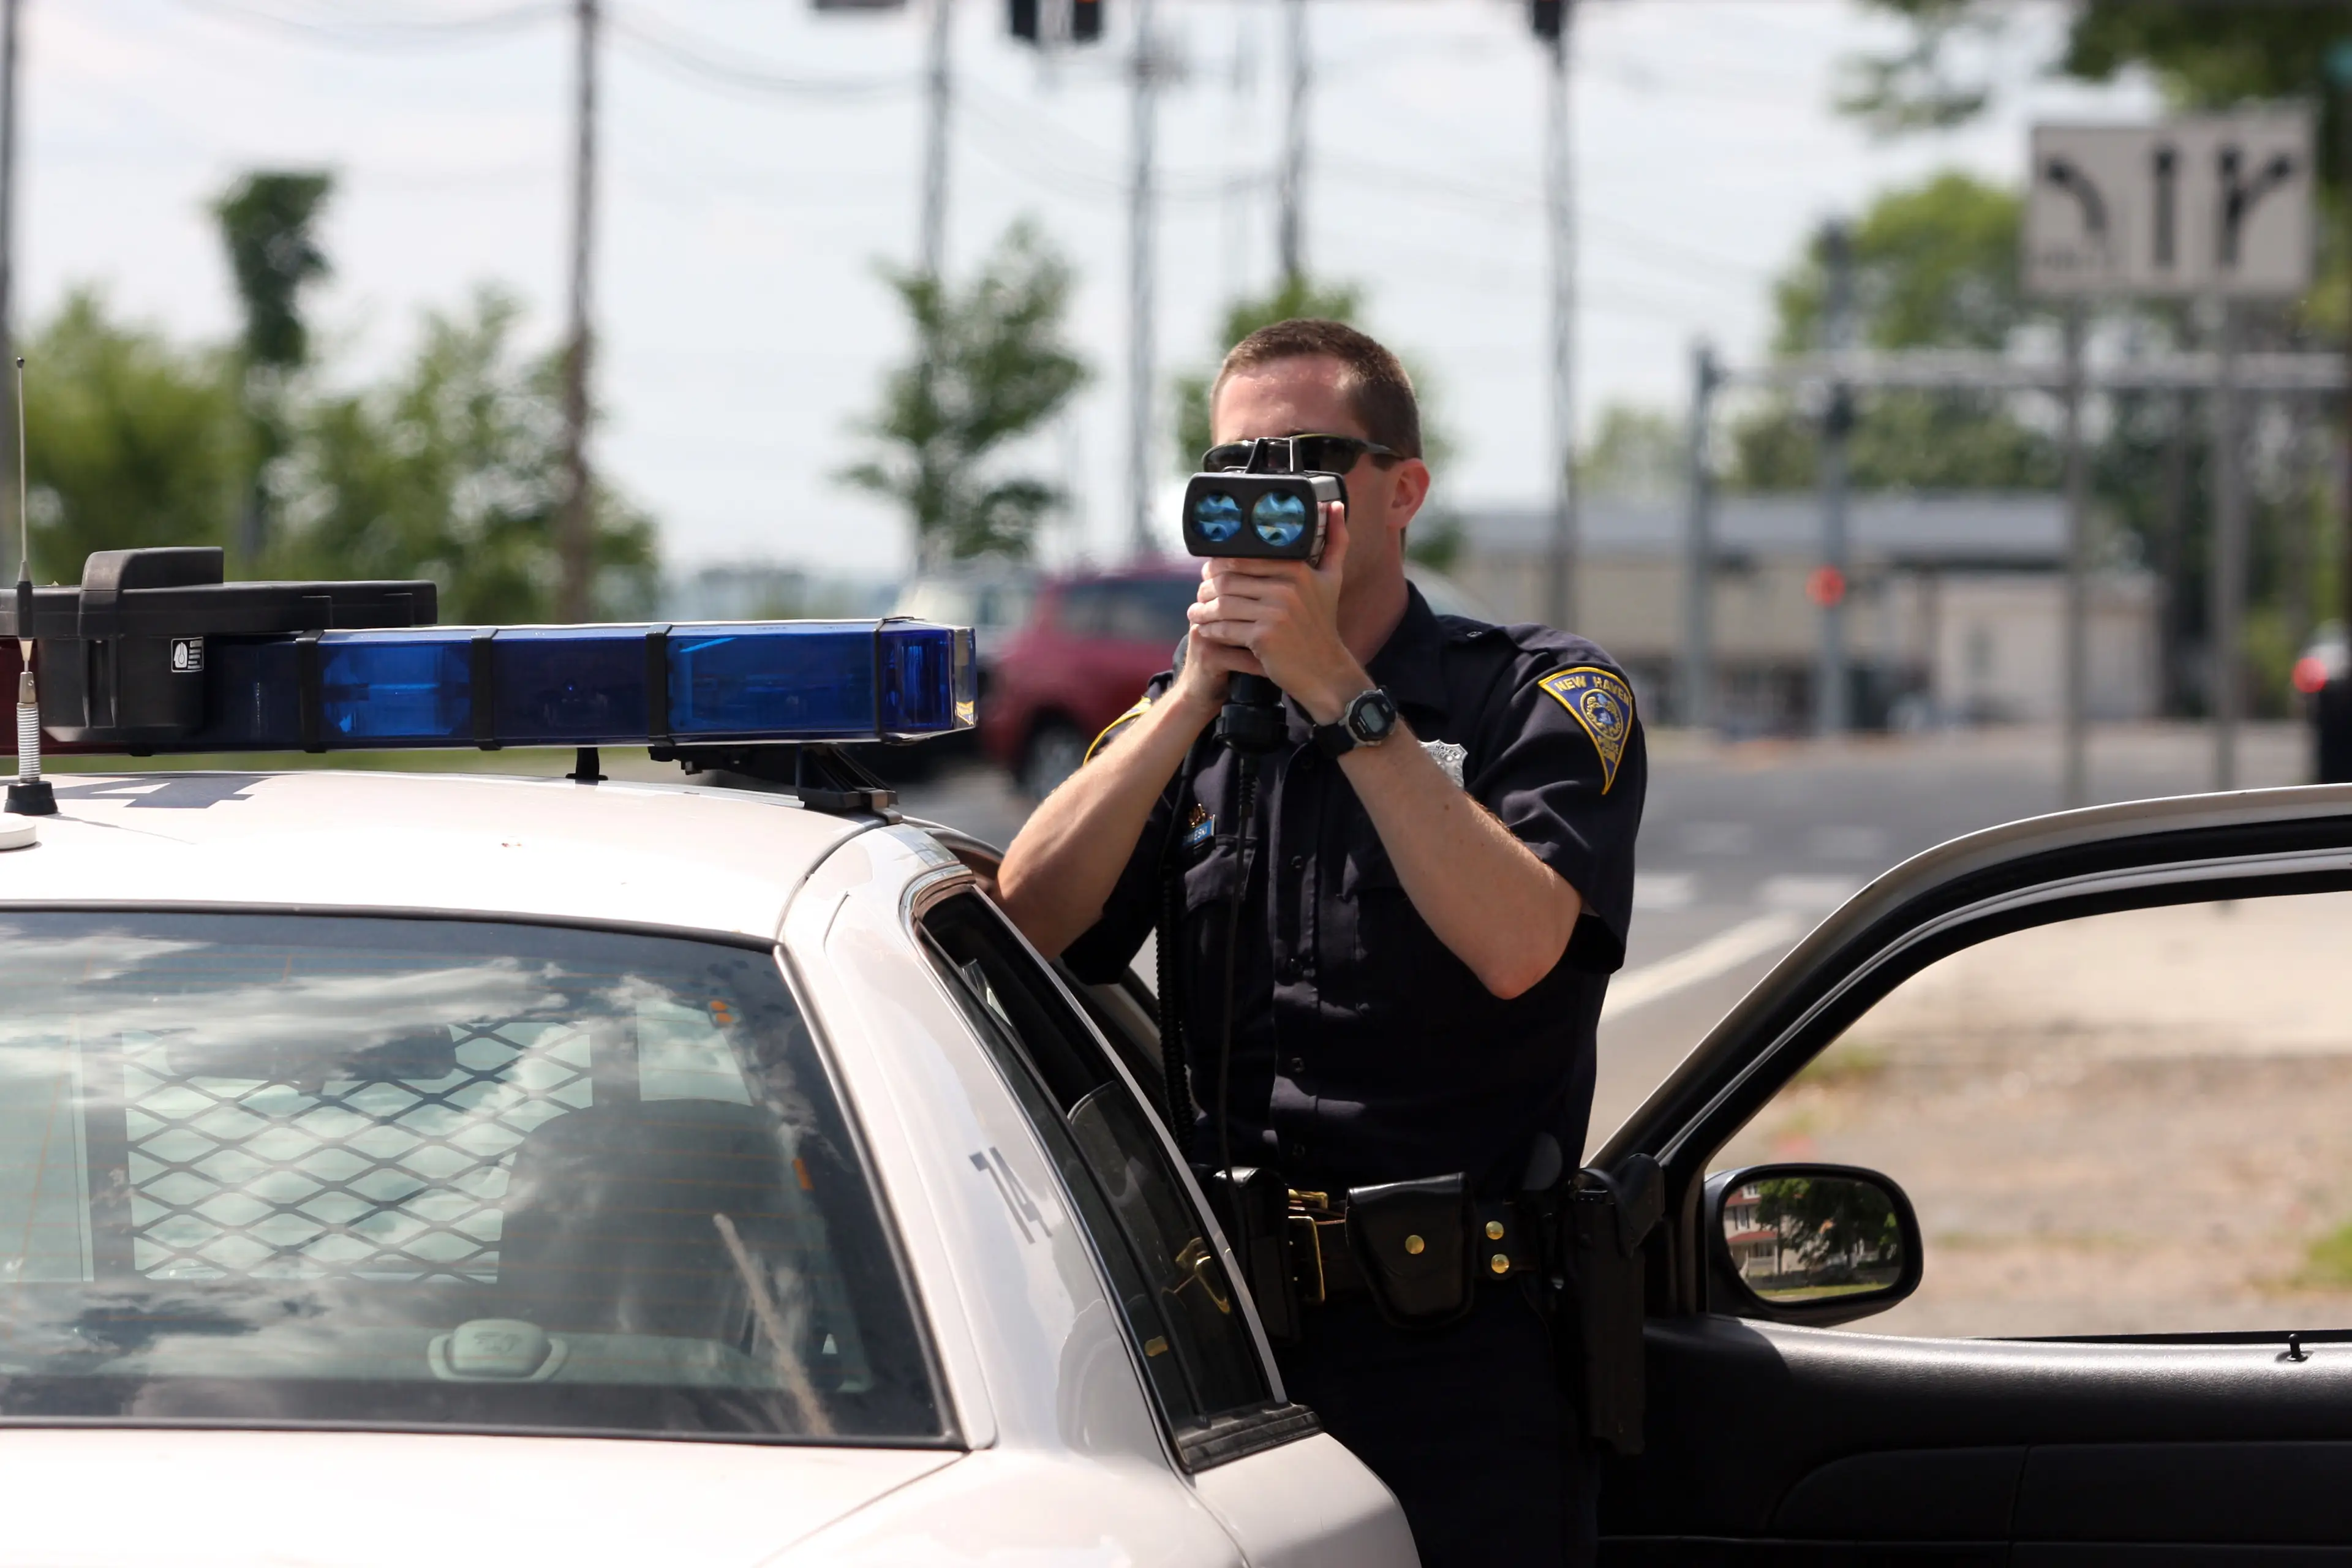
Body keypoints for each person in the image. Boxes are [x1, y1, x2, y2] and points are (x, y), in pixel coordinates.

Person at [995, 317, 1645, 1568]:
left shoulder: (1535, 697)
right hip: (1222, 1346)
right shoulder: (1185, 721)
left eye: (1307, 460)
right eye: (1239, 466)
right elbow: (1026, 920)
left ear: (1402, 490)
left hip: (1461, 1354)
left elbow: (1520, 944)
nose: (1270, 494)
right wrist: (1194, 691)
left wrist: (1344, 698)